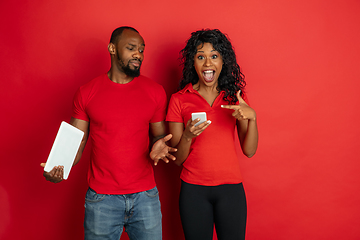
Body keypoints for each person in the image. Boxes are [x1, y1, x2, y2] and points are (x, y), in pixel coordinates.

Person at [40, 26, 177, 240]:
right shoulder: (87, 92)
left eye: (141, 49)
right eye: (131, 48)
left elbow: (159, 136)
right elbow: (77, 141)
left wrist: (158, 145)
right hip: (102, 200)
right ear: (112, 48)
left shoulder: (155, 91)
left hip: (145, 197)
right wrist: (59, 168)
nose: (138, 54)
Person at [166, 29, 259, 240]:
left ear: (223, 62)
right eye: (201, 57)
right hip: (193, 191)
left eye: (214, 56)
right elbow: (177, 160)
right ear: (193, 63)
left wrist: (252, 118)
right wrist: (188, 135)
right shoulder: (179, 100)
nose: (208, 63)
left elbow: (250, 151)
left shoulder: (235, 98)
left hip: (231, 190)